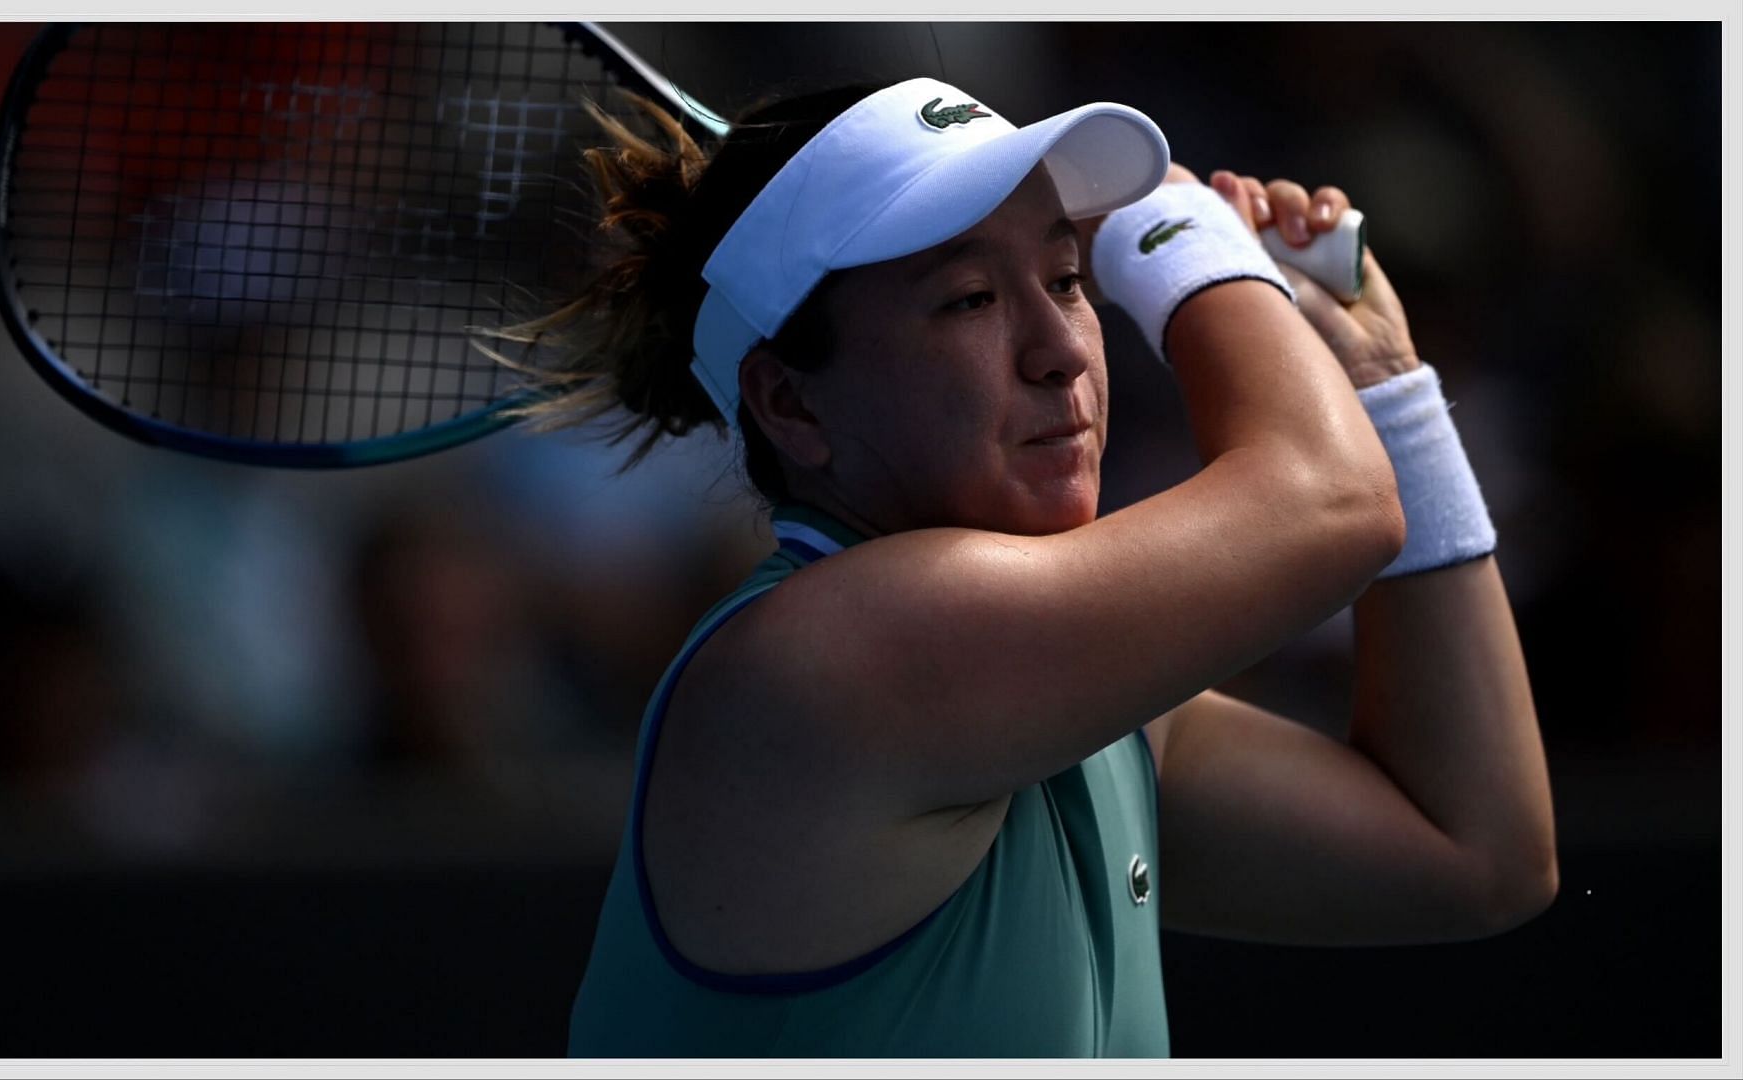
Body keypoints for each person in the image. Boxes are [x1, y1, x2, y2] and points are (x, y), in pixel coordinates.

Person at [507, 77, 1557, 1057]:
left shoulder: (1080, 704)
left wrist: (1384, 384)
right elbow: (1332, 499)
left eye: (1065, 276)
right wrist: (1186, 235)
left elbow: (1475, 854)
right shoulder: (832, 661)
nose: (1060, 346)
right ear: (789, 402)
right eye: (969, 298)